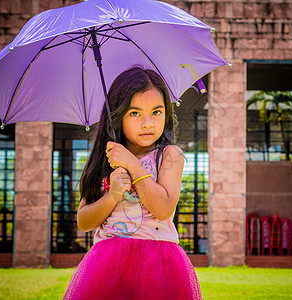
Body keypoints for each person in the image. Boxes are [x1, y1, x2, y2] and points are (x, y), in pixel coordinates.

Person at [63, 67, 202, 300]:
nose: (147, 123)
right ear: (117, 115)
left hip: (159, 263)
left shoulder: (169, 155)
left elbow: (163, 209)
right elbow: (84, 221)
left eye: (156, 112)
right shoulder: (105, 159)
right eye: (135, 113)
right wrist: (112, 195)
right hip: (107, 265)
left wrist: (133, 165)